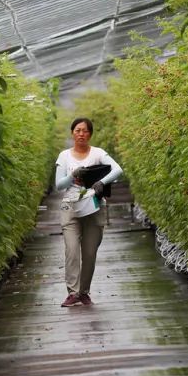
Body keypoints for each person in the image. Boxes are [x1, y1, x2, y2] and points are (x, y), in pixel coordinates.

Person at [53, 117, 122, 307]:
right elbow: (59, 185)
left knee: (90, 253)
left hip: (94, 207)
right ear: (72, 133)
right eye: (77, 130)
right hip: (71, 207)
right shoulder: (64, 156)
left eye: (85, 131)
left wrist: (101, 182)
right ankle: (72, 292)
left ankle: (84, 292)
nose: (81, 134)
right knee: (72, 250)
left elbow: (118, 170)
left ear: (90, 134)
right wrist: (73, 175)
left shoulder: (98, 153)